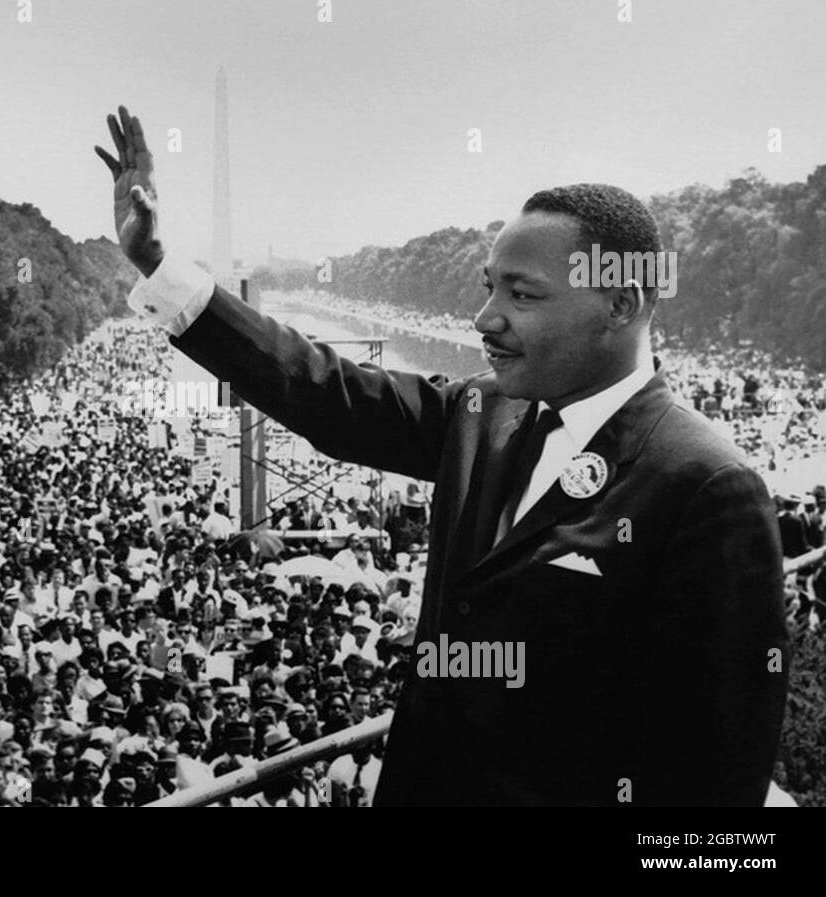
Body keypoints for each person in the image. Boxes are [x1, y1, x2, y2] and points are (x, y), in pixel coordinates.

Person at [96, 106, 788, 806]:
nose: (485, 318)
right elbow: (322, 392)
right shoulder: (481, 412)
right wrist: (160, 265)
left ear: (620, 303)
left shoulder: (708, 486)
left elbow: (714, 786)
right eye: (488, 286)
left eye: (522, 294)